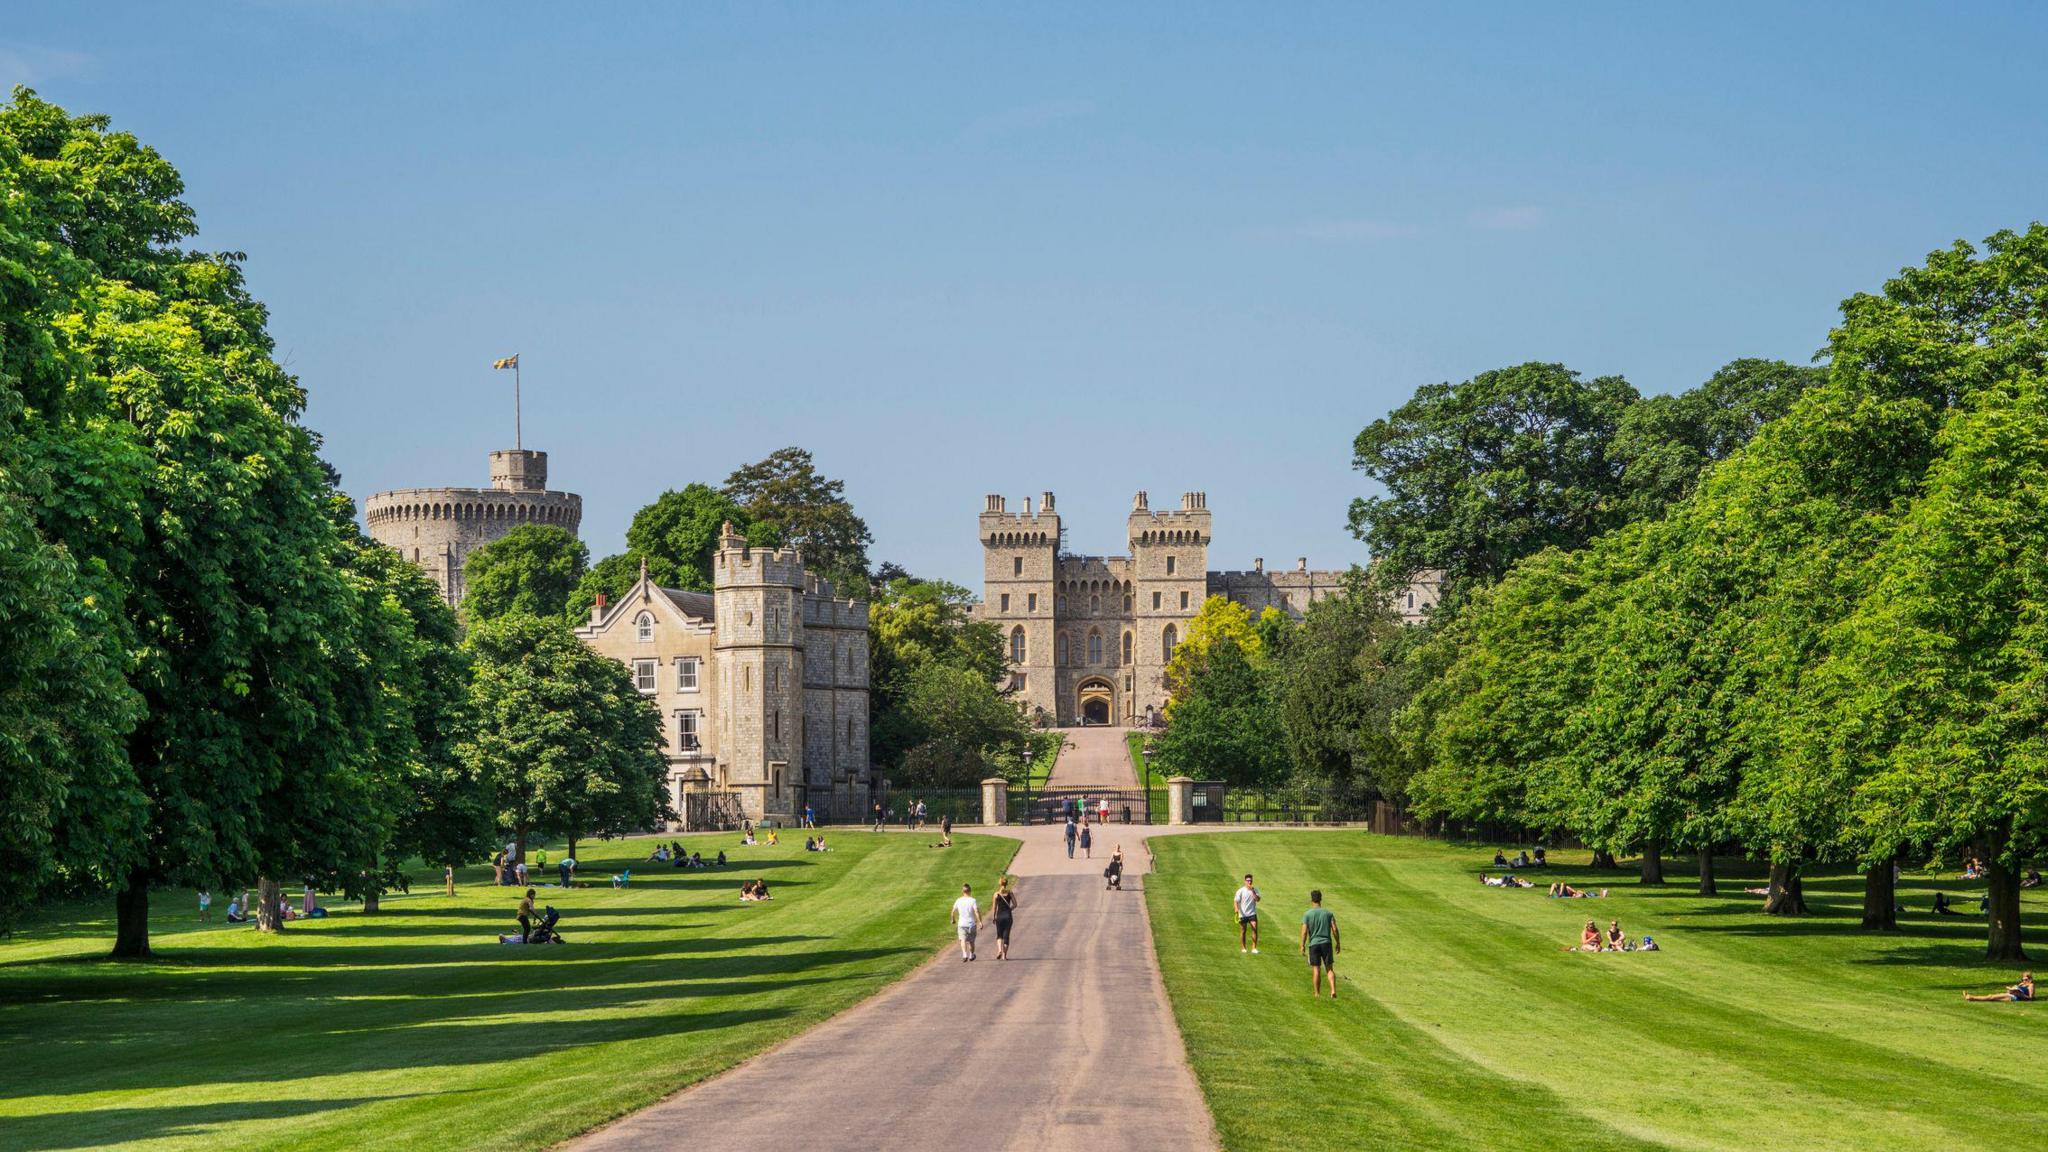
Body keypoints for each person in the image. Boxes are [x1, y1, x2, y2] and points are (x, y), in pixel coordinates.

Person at [1299, 890, 1340, 999]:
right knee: (1329, 969)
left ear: (1311, 900)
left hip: (1314, 944)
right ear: (1321, 899)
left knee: (1316, 969)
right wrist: (1338, 942)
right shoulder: (1328, 913)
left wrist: (1302, 945)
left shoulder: (1307, 914)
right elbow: (1335, 929)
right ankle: (1333, 990)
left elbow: (1304, 932)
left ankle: (1317, 993)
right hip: (1326, 943)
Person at [951, 882, 980, 961]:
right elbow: (976, 911)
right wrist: (980, 922)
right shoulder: (973, 900)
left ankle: (964, 954)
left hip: (962, 924)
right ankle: (971, 955)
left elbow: (953, 911)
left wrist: (953, 919)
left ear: (963, 891)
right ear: (970, 891)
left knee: (962, 939)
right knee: (971, 941)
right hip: (971, 924)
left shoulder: (958, 900)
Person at [991, 877, 1018, 960]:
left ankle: (999, 950)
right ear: (1006, 884)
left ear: (1000, 884)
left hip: (999, 916)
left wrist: (994, 917)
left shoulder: (996, 894)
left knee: (999, 935)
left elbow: (994, 907)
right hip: (1008, 916)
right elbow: (1015, 904)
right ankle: (1004, 955)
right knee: (1006, 936)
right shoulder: (1009, 893)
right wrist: (1010, 909)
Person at [1234, 874, 1262, 953]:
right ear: (1245, 881)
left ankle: (1254, 948)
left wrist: (1253, 891)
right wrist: (1236, 909)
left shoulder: (1255, 890)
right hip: (1243, 914)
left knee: (1255, 929)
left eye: (1251, 881)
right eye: (1248, 881)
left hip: (1252, 913)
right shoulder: (1240, 891)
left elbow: (1258, 899)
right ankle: (1243, 948)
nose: (1249, 882)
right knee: (1243, 931)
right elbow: (1236, 901)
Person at [1965, 972, 2035, 1003]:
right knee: (1991, 998)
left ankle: (1971, 997)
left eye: (2026, 979)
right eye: (2023, 979)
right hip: (2011, 995)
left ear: (2030, 979)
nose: (2024, 981)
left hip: (2014, 997)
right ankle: (1971, 998)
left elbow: (2030, 998)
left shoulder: (2031, 985)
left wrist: (2020, 994)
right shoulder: (2022, 984)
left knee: (1991, 997)